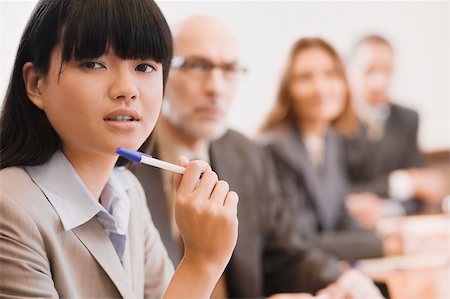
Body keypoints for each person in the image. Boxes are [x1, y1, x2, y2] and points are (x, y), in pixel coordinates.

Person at [130, 15, 385, 298]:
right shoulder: (125, 161)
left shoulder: (247, 155)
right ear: (159, 71)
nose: (216, 86)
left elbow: (285, 252)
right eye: (197, 66)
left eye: (229, 69)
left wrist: (342, 280)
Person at [0, 1, 239, 298]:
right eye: (93, 63)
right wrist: (201, 264)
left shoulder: (127, 193)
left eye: (144, 67)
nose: (127, 89)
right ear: (36, 83)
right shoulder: (8, 210)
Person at [259, 37, 390, 260]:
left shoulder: (330, 139)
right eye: (304, 77)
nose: (320, 88)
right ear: (286, 88)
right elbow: (301, 241)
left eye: (331, 75)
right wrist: (385, 246)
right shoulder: (275, 149)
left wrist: (386, 235)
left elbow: (339, 217)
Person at [345, 35, 447, 229]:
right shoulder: (334, 122)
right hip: (350, 231)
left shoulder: (408, 119)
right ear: (350, 70)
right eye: (369, 70)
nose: (379, 81)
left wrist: (389, 209)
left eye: (386, 70)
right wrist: (399, 183)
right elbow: (334, 191)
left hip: (397, 225)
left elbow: (421, 191)